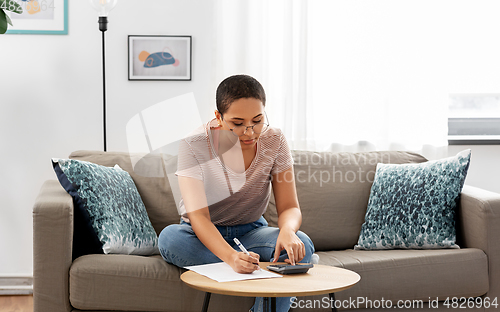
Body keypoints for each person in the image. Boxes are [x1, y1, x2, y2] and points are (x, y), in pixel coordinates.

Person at [158, 74, 315, 312]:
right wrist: (231, 257)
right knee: (169, 239)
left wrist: (287, 231)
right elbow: (198, 216)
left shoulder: (275, 140)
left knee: (302, 245)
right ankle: (254, 268)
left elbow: (289, 207)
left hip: (252, 232)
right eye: (238, 123)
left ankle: (252, 281)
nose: (250, 132)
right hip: (199, 235)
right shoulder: (194, 144)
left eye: (258, 120)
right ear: (218, 118)